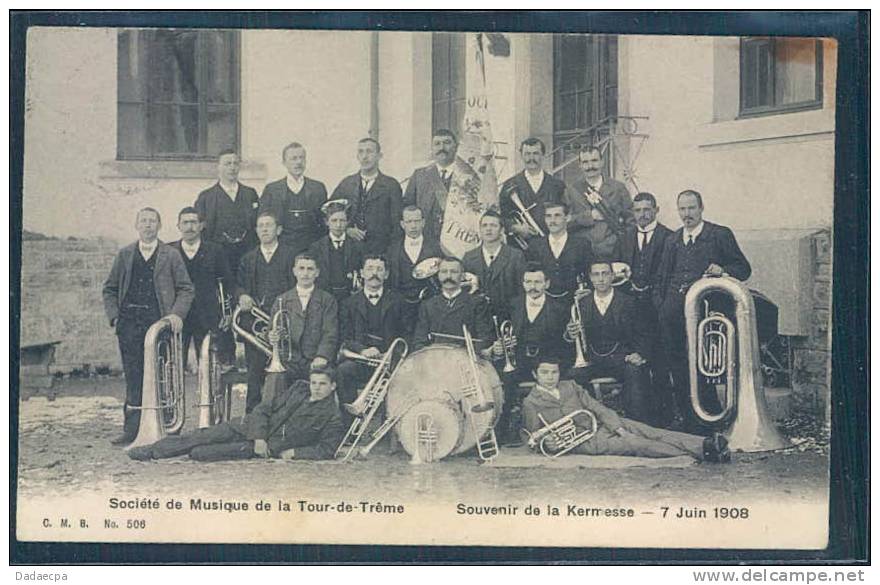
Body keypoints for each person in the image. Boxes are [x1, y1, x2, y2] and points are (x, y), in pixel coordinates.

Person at [654, 189, 752, 432]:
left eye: (691, 208)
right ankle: (688, 419)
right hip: (674, 316)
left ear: (701, 208)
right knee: (678, 366)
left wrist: (722, 268)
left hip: (706, 313)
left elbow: (744, 268)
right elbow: (661, 278)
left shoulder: (719, 234)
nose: (686, 214)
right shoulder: (672, 240)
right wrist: (662, 306)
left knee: (704, 364)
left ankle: (711, 419)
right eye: (682, 209)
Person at [102, 208, 194, 445]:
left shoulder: (171, 255)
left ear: (159, 226)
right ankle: (132, 429)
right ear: (136, 225)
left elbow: (186, 288)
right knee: (134, 375)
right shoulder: (125, 255)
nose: (148, 225)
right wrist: (115, 317)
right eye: (143, 221)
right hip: (129, 323)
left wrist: (175, 315)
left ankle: (166, 428)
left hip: (158, 323)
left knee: (162, 374)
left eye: (152, 221)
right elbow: (109, 289)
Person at [522, 358, 730, 462]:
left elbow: (597, 407)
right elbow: (531, 436)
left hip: (605, 423)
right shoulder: (530, 402)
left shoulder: (571, 386)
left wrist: (616, 426)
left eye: (554, 372)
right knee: (640, 445)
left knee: (653, 432)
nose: (550, 377)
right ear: (535, 375)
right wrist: (545, 443)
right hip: (588, 441)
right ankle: (703, 454)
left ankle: (705, 443)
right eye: (545, 373)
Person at [128, 367, 344, 462]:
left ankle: (180, 452)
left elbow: (326, 449)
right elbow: (263, 408)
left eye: (322, 384)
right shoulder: (299, 388)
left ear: (333, 386)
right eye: (314, 382)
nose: (316, 388)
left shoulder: (332, 417)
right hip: (250, 427)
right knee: (203, 435)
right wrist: (258, 436)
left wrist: (294, 453)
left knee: (201, 454)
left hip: (266, 447)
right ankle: (152, 451)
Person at [489, 264, 570, 445]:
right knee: (505, 382)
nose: (532, 286)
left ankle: (554, 433)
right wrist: (501, 345)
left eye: (538, 282)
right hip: (519, 360)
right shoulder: (511, 305)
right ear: (523, 283)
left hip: (548, 361)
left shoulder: (560, 308)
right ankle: (501, 434)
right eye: (528, 282)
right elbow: (500, 335)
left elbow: (564, 344)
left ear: (547, 284)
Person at [612, 192, 675, 426]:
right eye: (638, 210)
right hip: (633, 311)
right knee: (637, 364)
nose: (642, 214)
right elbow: (616, 272)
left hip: (659, 311)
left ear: (656, 210)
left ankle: (665, 420)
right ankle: (641, 419)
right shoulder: (625, 238)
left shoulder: (669, 237)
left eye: (647, 210)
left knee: (660, 363)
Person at [565, 261, 654, 425]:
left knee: (635, 372)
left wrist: (640, 354)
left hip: (622, 357)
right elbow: (572, 335)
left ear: (612, 276)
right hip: (592, 359)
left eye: (605, 274)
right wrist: (570, 334)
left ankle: (636, 425)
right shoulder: (582, 304)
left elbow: (644, 333)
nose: (601, 279)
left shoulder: (629, 302)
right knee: (572, 377)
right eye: (596, 274)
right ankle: (588, 423)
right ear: (590, 278)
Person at [236, 212, 297, 412]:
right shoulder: (248, 258)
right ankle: (252, 415)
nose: (264, 229)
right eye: (260, 226)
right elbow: (238, 286)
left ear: (278, 230)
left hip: (284, 321)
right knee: (254, 371)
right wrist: (243, 295)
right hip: (256, 325)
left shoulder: (291, 256)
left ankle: (282, 413)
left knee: (285, 371)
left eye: (269, 225)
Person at [170, 206, 237, 369]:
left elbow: (228, 283)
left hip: (209, 316)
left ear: (201, 226)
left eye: (194, 222)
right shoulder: (168, 251)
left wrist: (228, 313)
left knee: (213, 366)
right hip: (178, 316)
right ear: (178, 226)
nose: (189, 227)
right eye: (185, 223)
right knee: (173, 365)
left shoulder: (215, 250)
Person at [337, 254, 407, 411]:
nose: (374, 273)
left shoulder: (398, 301)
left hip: (390, 360)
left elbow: (407, 333)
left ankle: (388, 424)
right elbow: (345, 336)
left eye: (379, 269)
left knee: (405, 376)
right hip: (360, 360)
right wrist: (362, 350)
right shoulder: (348, 303)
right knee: (343, 371)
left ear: (386, 274)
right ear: (361, 273)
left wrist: (391, 353)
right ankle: (349, 420)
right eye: (369, 269)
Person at [402, 128, 480, 246]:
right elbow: (408, 206)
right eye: (437, 144)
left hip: (458, 240)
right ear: (432, 149)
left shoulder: (468, 176)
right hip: (426, 241)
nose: (441, 148)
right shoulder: (419, 175)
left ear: (456, 147)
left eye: (447, 143)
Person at [270, 253, 339, 381]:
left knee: (321, 381)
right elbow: (271, 329)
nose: (305, 273)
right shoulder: (282, 299)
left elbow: (330, 333)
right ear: (294, 271)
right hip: (289, 360)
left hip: (316, 359)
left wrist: (322, 356)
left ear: (317, 273)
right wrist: (271, 336)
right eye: (301, 269)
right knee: (274, 378)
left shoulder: (327, 300)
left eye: (310, 269)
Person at [329, 137, 403, 255]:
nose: (364, 156)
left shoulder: (391, 186)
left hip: (380, 251)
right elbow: (330, 213)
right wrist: (346, 229)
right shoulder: (347, 184)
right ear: (357, 156)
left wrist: (391, 254)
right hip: (350, 250)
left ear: (379, 156)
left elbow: (397, 225)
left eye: (369, 151)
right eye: (361, 152)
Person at [194, 149, 260, 273]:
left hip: (246, 254)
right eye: (227, 164)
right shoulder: (206, 197)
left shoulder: (250, 194)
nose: (232, 167)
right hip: (219, 256)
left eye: (235, 163)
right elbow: (200, 230)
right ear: (218, 167)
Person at [564, 145, 634, 260]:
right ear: (580, 165)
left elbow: (631, 221)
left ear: (602, 162)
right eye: (585, 162)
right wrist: (589, 216)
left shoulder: (618, 188)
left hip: (612, 252)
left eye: (594, 161)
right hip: (582, 252)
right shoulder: (572, 190)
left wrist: (620, 244)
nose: (590, 166)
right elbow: (564, 223)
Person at [259, 142, 328, 257]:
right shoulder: (272, 190)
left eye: (301, 158)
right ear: (284, 163)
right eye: (293, 159)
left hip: (312, 248)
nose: (298, 162)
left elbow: (324, 221)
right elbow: (264, 220)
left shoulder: (317, 188)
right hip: (282, 249)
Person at [411, 256, 493, 353]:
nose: (448, 276)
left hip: (466, 362)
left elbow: (484, 340)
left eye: (454, 272)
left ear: (463, 276)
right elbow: (419, 342)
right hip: (435, 361)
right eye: (444, 272)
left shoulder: (477, 303)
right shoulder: (427, 305)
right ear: (439, 275)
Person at [385, 205, 444, 339]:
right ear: (402, 224)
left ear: (423, 222)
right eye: (409, 222)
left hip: (429, 304)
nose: (413, 226)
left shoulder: (436, 247)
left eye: (416, 221)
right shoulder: (392, 249)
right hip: (401, 306)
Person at [499, 137, 567, 251]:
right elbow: (500, 216)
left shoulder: (557, 185)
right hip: (519, 249)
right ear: (521, 156)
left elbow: (566, 215)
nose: (531, 158)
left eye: (535, 153)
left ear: (543, 155)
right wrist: (516, 227)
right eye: (527, 154)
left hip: (551, 248)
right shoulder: (509, 184)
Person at [461, 209, 526, 321]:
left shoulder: (516, 256)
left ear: (502, 230)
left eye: (493, 225)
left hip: (508, 318)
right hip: (478, 320)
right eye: (484, 225)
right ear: (480, 230)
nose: (488, 229)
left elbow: (522, 292)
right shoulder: (468, 258)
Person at [525, 201, 595, 300]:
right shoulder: (534, 246)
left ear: (567, 218)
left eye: (557, 215)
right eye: (548, 216)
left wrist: (588, 291)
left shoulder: (582, 244)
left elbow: (590, 272)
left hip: (574, 301)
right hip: (544, 302)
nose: (552, 221)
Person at [308, 201, 364, 304]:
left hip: (350, 298)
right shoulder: (316, 248)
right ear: (326, 222)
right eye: (334, 221)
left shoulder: (357, 246)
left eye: (342, 220)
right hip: (324, 299)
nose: (338, 225)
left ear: (347, 222)